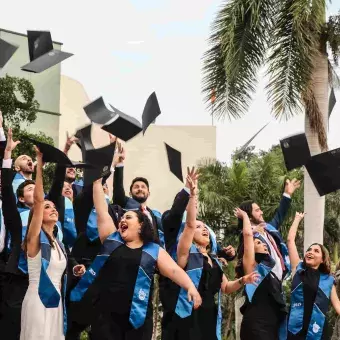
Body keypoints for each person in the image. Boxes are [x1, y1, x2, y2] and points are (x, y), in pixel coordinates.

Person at [70, 178, 202, 340]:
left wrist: (190, 287)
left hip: (137, 320)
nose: (122, 220)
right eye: (122, 218)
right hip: (105, 319)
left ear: (141, 225)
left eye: (129, 217)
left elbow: (174, 270)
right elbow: (102, 210)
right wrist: (97, 182)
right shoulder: (111, 239)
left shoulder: (154, 250)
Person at [162, 175, 259, 340]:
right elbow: (190, 224)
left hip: (209, 316)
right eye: (199, 228)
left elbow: (226, 287)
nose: (204, 229)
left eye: (206, 227)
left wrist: (244, 279)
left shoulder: (214, 261)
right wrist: (192, 195)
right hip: (186, 315)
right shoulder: (184, 254)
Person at [20, 146, 68, 340]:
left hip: (56, 303)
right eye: (48, 207)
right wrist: (40, 164)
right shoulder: (34, 237)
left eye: (54, 206)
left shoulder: (59, 243)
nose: (53, 209)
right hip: (38, 300)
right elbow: (38, 201)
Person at [235, 207, 287, 340]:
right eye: (258, 242)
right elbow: (247, 235)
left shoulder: (273, 273)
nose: (263, 244)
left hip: (273, 325)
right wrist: (246, 217)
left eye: (263, 243)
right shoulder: (251, 268)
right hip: (256, 325)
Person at [286, 212, 340, 340]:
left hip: (318, 330)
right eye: (309, 250)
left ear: (322, 259)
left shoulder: (328, 280)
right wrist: (297, 219)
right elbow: (290, 240)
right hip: (295, 329)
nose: (310, 252)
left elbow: (337, 305)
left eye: (316, 251)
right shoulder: (298, 270)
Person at [237, 178, 301, 282]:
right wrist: (253, 232)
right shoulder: (246, 236)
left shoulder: (267, 228)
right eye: (257, 210)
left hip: (277, 280)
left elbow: (279, 215)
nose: (261, 212)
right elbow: (242, 252)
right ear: (249, 217)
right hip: (262, 280)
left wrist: (287, 194)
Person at [112, 141, 164, 245]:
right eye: (136, 187)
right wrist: (119, 164)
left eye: (143, 187)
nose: (140, 189)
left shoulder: (153, 214)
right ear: (130, 193)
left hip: (153, 253)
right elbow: (118, 191)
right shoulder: (126, 204)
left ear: (148, 193)